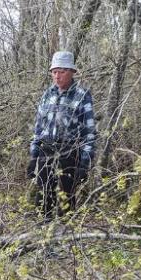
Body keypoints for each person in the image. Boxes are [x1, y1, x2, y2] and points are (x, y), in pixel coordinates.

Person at [28, 50, 97, 219]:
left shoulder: (82, 95)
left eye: (62, 72)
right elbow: (38, 127)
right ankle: (43, 233)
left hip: (70, 151)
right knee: (43, 195)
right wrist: (34, 155)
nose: (57, 76)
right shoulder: (47, 94)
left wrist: (84, 162)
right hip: (47, 149)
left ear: (71, 72)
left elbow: (89, 131)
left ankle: (66, 235)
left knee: (67, 198)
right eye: (54, 72)